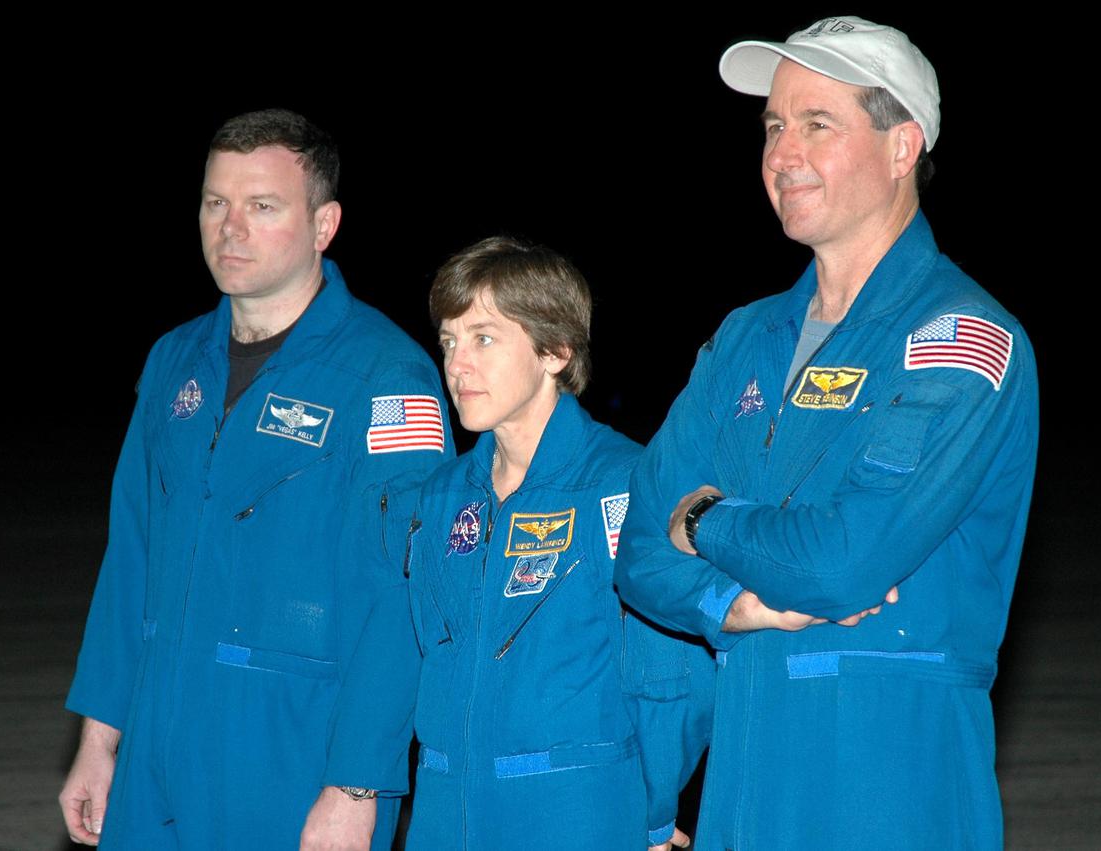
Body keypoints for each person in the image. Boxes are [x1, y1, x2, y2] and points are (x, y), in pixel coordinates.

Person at [615, 17, 1038, 850]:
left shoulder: (960, 337)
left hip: (890, 773)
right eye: (773, 126)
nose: (781, 153)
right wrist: (728, 603)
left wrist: (703, 522)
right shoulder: (743, 338)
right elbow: (635, 549)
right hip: (744, 764)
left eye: (817, 123)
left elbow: (844, 560)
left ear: (900, 146)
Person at [58, 109, 451, 850]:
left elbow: (403, 595)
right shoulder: (174, 363)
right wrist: (99, 737)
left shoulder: (387, 379)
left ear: (323, 224)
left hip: (292, 752)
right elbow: (130, 559)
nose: (230, 228)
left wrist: (357, 783)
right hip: (156, 748)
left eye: (262, 206)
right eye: (216, 202)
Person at [401, 237, 711, 849]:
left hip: (577, 812)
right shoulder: (441, 496)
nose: (457, 364)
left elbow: (672, 674)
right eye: (449, 342)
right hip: (444, 811)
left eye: (483, 338)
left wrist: (649, 813)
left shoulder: (621, 485)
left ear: (555, 351)